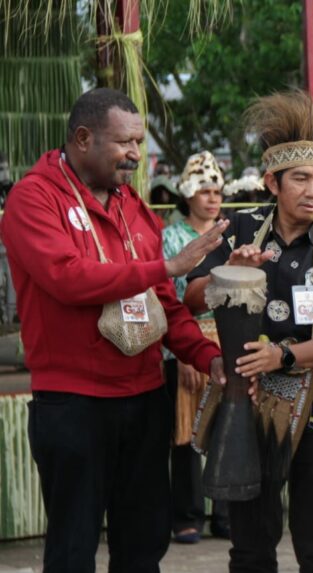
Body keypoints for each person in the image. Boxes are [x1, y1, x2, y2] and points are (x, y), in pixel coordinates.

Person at [0, 87, 228, 573]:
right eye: (125, 142)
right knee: (73, 547)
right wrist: (166, 265)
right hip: (73, 402)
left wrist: (209, 359)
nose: (135, 154)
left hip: (144, 399)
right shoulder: (33, 198)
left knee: (144, 543)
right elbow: (67, 277)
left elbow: (164, 306)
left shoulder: (134, 207)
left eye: (140, 142)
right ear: (83, 138)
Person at [184, 90, 313, 573]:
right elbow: (191, 297)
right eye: (301, 179)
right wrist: (230, 273)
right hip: (249, 399)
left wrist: (284, 358)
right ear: (272, 181)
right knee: (250, 542)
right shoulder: (241, 230)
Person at [162, 150, 235, 543]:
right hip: (187, 343)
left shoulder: (231, 236)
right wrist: (182, 354)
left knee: (227, 430)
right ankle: (187, 515)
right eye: (204, 190)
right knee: (186, 434)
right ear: (188, 194)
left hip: (228, 341)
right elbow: (169, 300)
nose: (212, 198)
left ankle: (224, 514)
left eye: (217, 190)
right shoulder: (171, 237)